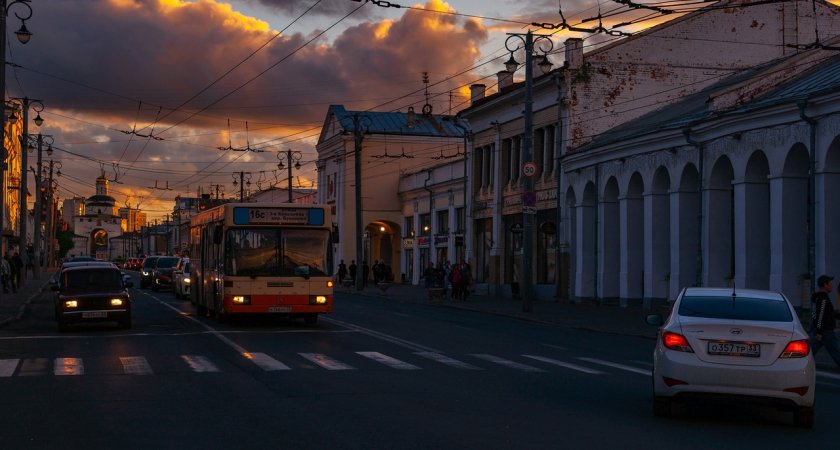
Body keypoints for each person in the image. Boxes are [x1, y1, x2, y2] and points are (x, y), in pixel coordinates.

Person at [810, 274, 840, 368]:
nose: (831, 285)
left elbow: (827, 313)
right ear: (825, 285)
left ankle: (799, 364)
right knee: (836, 351)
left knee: (809, 352)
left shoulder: (819, 298)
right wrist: (819, 332)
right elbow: (820, 315)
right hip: (825, 331)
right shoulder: (823, 298)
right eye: (830, 283)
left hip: (821, 331)